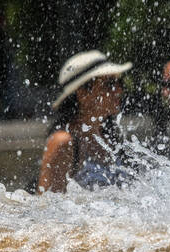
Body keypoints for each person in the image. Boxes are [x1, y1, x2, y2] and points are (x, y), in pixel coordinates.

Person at [37, 50, 132, 193]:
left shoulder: (110, 136)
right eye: (110, 84)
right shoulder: (63, 142)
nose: (118, 90)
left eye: (119, 82)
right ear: (82, 94)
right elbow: (46, 208)